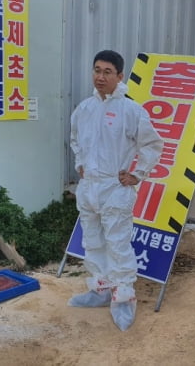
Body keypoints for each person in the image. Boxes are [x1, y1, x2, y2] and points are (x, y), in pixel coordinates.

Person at [69, 50, 163, 331]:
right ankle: (100, 288)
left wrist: (136, 173)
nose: (100, 76)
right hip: (89, 189)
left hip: (114, 188)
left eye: (107, 71)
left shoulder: (131, 110)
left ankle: (124, 298)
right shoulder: (84, 109)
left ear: (120, 76)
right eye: (96, 70)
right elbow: (75, 140)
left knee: (118, 244)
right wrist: (80, 164)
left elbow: (152, 144)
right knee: (93, 241)